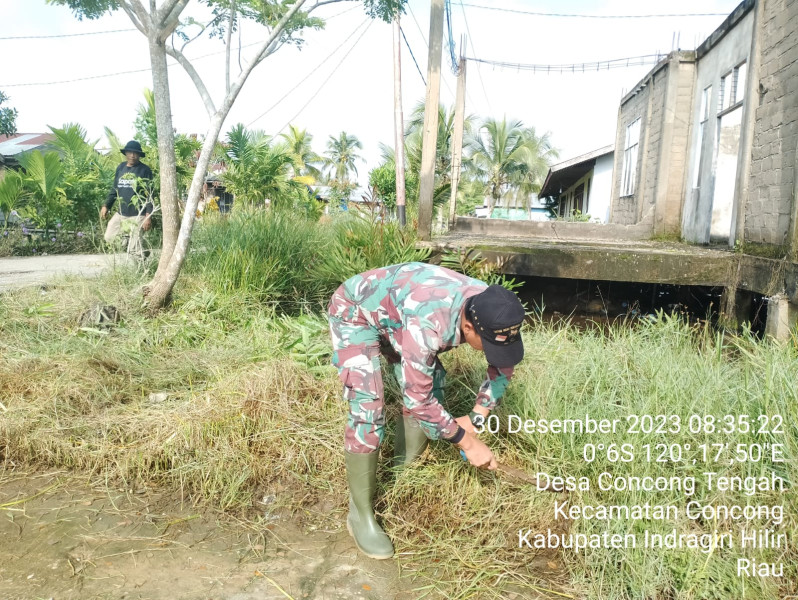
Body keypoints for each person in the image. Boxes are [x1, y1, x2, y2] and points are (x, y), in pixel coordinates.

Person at [327, 262, 525, 560]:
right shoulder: (431, 321)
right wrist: (467, 442)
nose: (490, 352)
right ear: (468, 327)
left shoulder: (494, 309)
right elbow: (418, 398)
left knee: (434, 380)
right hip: (357, 312)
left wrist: (477, 417)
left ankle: (403, 468)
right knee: (369, 407)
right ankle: (361, 514)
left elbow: (502, 364)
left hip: (398, 310)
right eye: (485, 346)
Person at [101, 140, 154, 253]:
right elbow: (115, 189)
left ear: (139, 155)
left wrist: (148, 216)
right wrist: (106, 205)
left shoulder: (145, 170)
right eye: (130, 152)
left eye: (135, 153)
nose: (132, 155)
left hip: (138, 215)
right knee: (109, 237)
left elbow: (150, 194)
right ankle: (132, 244)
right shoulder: (120, 168)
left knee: (134, 250)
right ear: (126, 153)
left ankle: (140, 259)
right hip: (121, 214)